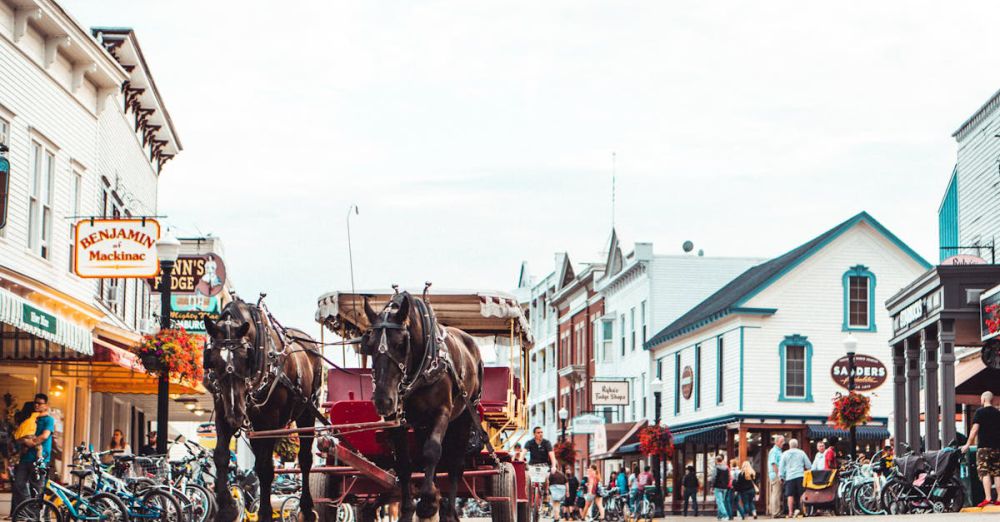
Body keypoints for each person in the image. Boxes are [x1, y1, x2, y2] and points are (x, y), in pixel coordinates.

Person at [10, 394, 54, 519]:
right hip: (25, 457)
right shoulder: (30, 418)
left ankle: (34, 517)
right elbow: (20, 434)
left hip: (40, 459)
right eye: (35, 402)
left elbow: (45, 436)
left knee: (37, 489)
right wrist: (24, 441)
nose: (37, 405)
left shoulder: (48, 420)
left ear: (46, 405)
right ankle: (26, 512)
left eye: (40, 403)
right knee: (19, 484)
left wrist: (32, 442)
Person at [962, 390, 1000, 507]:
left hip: (984, 448)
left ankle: (988, 498)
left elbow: (974, 430)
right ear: (992, 401)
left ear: (983, 400)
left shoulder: (980, 412)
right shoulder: (998, 413)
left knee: (985, 472)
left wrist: (968, 444)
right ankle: (999, 498)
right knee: (998, 473)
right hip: (998, 448)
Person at [778, 438, 811, 518]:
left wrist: (781, 476)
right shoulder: (801, 453)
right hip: (800, 476)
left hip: (789, 477)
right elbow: (809, 465)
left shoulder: (785, 454)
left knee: (790, 495)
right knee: (801, 494)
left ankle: (790, 513)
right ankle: (802, 511)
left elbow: (781, 466)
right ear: (797, 445)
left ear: (789, 445)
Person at [708, 454, 731, 520]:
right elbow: (729, 477)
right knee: (721, 502)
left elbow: (713, 478)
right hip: (724, 487)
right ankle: (719, 516)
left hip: (718, 487)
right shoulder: (726, 468)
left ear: (716, 461)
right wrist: (726, 484)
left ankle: (725, 515)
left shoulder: (716, 468)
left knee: (719, 502)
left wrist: (712, 486)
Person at [767, 435, 785, 517]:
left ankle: (774, 511)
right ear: (776, 442)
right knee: (776, 494)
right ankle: (775, 512)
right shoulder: (774, 451)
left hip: (775, 474)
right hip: (775, 474)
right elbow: (774, 464)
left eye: (783, 441)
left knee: (775, 493)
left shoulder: (778, 451)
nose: (783, 443)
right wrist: (779, 475)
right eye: (781, 441)